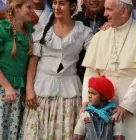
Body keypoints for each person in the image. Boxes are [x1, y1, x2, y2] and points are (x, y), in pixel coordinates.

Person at [81, 0, 136, 139]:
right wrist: (87, 100)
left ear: (124, 12)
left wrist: (127, 105)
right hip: (103, 106)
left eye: (109, 10)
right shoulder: (100, 36)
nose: (105, 13)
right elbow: (90, 72)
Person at [22, 0, 93, 139]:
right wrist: (29, 89)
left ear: (73, 6)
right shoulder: (42, 29)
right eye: (54, 3)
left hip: (69, 92)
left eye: (62, 3)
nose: (57, 7)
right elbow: (33, 61)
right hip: (41, 91)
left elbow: (95, 55)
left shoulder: (83, 31)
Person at [0, 0, 33, 139]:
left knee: (13, 133)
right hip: (3, 89)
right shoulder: (2, 28)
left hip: (19, 92)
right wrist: (7, 86)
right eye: (29, 7)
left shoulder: (29, 31)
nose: (32, 11)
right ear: (17, 8)